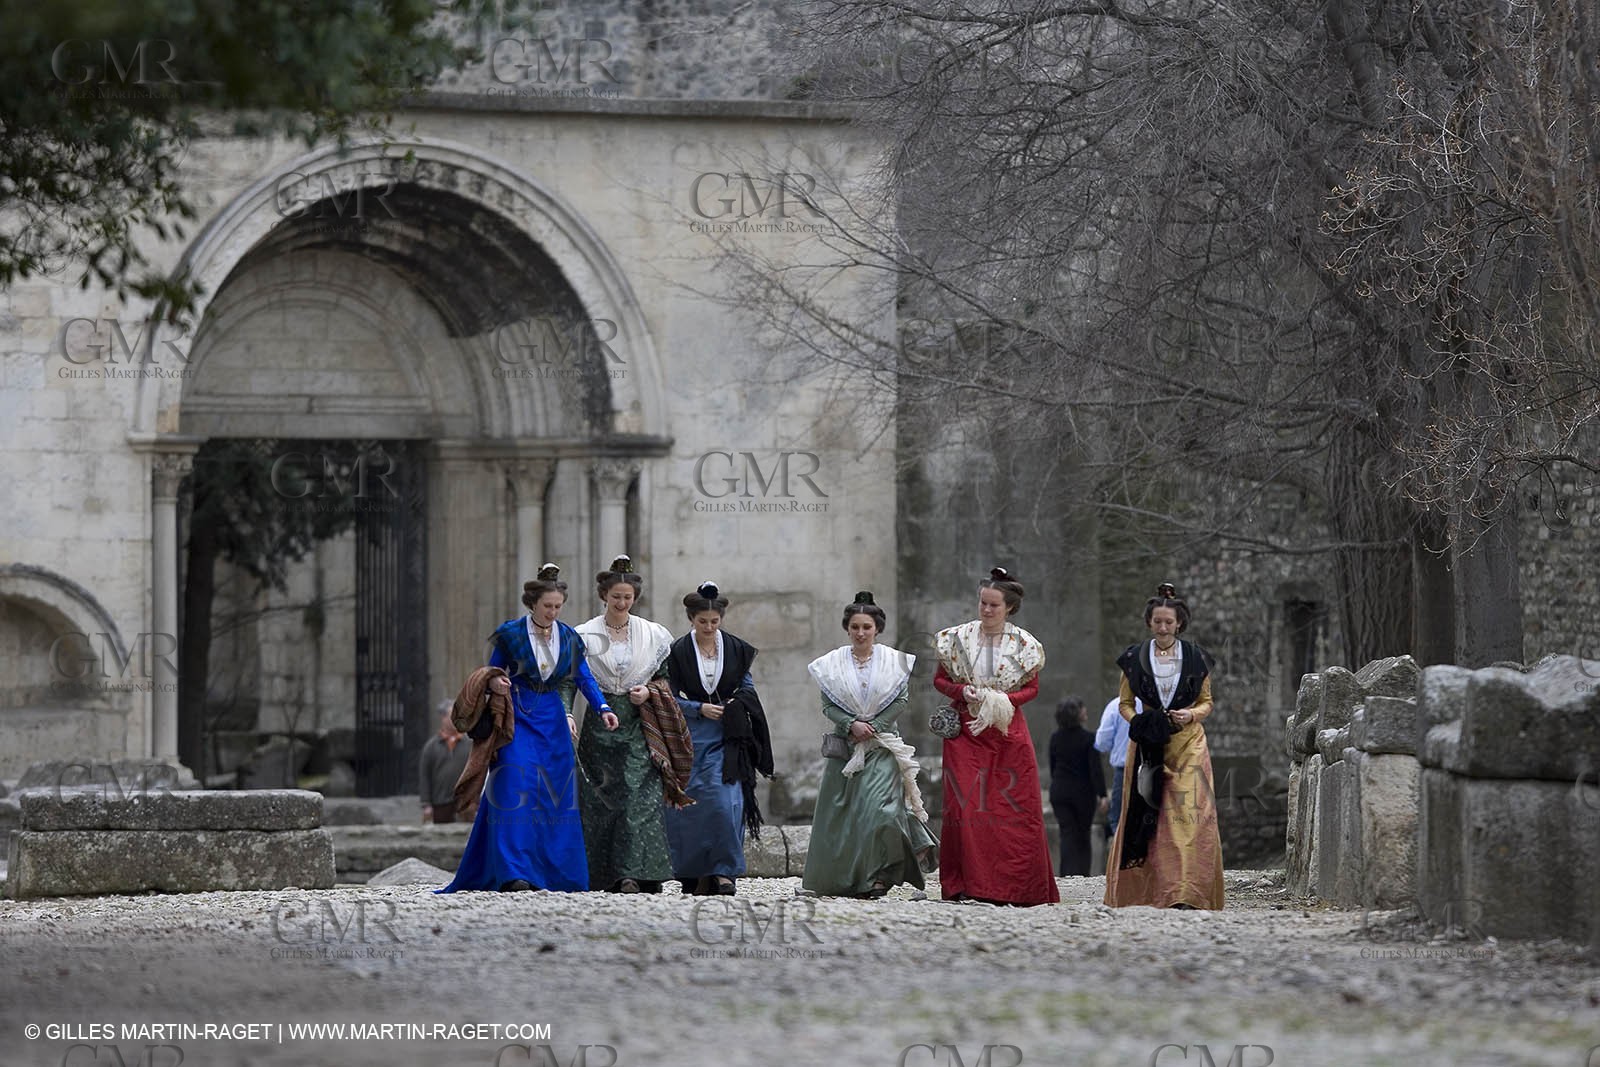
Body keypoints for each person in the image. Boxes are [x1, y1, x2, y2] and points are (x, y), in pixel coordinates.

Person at [439, 564, 618, 893]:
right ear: (532, 603)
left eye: (558, 607)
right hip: (518, 716)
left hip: (552, 718)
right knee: (512, 786)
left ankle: (556, 873)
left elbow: (583, 677)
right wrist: (496, 679)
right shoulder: (511, 633)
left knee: (555, 795)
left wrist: (602, 707)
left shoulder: (568, 636)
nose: (552, 612)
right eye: (547, 606)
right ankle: (513, 872)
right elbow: (492, 670)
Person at [932, 566, 1058, 905]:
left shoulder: (1025, 645)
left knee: (1013, 808)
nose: (986, 610)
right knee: (965, 807)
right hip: (965, 732)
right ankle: (966, 885)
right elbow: (939, 681)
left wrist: (1003, 700)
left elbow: (1032, 689)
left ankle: (1016, 888)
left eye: (994, 605)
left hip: (1006, 731)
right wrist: (963, 692)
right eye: (983, 603)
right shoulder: (956, 639)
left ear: (1010, 608)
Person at [802, 591, 938, 898]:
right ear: (847, 629)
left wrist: (873, 726)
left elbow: (900, 701)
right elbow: (828, 704)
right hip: (846, 749)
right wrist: (852, 724)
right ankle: (852, 878)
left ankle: (880, 876)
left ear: (877, 628)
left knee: (880, 812)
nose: (861, 633)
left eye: (866, 627)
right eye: (855, 627)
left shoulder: (894, 661)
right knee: (845, 816)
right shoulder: (831, 664)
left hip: (883, 745)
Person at [1104, 582, 1225, 910]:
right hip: (1148, 746)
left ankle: (1186, 892)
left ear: (1179, 624)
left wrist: (1190, 714)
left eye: (1169, 622)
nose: (1162, 627)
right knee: (1149, 816)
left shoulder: (1196, 659)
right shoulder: (1134, 658)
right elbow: (1125, 703)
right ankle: (1147, 892)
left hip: (1188, 744)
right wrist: (1139, 722)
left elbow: (1207, 702)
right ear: (1149, 622)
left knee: (1185, 815)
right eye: (1157, 621)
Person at [574, 555, 687, 894]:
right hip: (600, 721)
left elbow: (667, 678)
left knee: (641, 797)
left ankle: (639, 873)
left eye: (627, 597)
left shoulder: (653, 635)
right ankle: (606, 875)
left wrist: (649, 691)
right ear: (604, 596)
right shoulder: (584, 635)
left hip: (640, 723)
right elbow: (571, 680)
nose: (622, 603)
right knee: (602, 797)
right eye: (616, 597)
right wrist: (567, 714)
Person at [662, 581, 772, 895]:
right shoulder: (679, 651)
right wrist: (698, 708)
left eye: (714, 622)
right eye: (702, 622)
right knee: (693, 804)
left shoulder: (736, 648)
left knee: (727, 802)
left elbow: (747, 687)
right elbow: (669, 696)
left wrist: (734, 704)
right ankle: (695, 872)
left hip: (730, 735)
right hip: (692, 736)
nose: (709, 627)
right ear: (691, 620)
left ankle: (724, 872)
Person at [1047, 697, 1106, 876]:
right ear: (1078, 715)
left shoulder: (1055, 738)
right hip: (1082, 793)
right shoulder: (1088, 739)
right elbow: (1095, 769)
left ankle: (1066, 872)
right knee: (1082, 833)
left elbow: (1052, 765)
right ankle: (1082, 872)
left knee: (1067, 834)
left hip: (1060, 791)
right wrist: (1102, 794)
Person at [1094, 693, 1140, 842]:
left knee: (1119, 822)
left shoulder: (1115, 706)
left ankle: (1120, 861)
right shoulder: (1154, 705)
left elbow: (1102, 742)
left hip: (1124, 770)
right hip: (1152, 769)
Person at [419, 702, 471, 824]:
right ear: (443, 718)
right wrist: (426, 804)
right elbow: (425, 777)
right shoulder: (431, 747)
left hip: (466, 803)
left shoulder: (469, 744)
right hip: (441, 802)